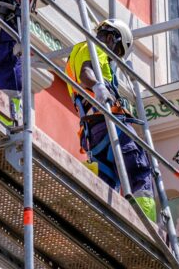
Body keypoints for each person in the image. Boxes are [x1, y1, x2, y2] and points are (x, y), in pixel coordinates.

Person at [65, 19, 156, 221]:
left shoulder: (75, 53)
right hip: (111, 122)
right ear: (110, 38)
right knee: (138, 168)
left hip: (93, 132)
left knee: (106, 182)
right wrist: (98, 86)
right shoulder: (97, 47)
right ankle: (146, 222)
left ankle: (102, 220)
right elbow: (86, 73)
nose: (113, 57)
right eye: (116, 51)